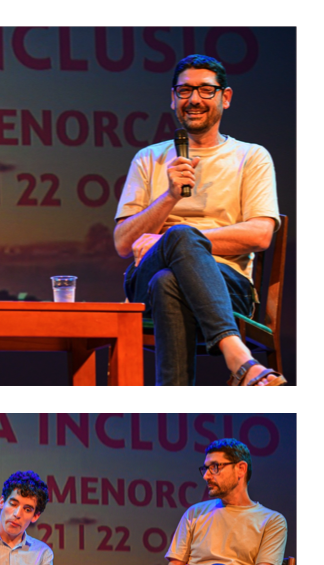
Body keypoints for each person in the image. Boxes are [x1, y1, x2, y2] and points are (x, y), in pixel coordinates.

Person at [114, 54, 286, 386]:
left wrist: (172, 239)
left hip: (226, 283)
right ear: (172, 98)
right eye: (184, 90)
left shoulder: (251, 156)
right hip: (143, 285)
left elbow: (262, 234)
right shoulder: (148, 158)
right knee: (173, 249)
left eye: (206, 90)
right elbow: (123, 243)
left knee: (170, 276)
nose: (194, 99)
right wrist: (170, 197)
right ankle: (239, 359)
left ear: (226, 97)